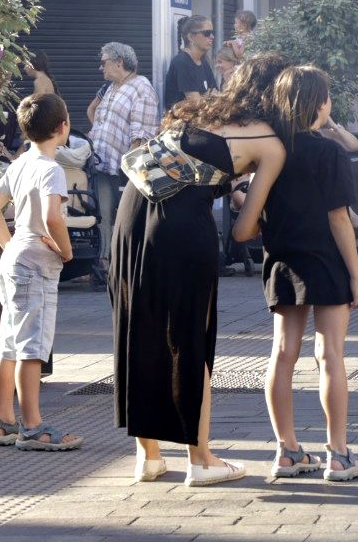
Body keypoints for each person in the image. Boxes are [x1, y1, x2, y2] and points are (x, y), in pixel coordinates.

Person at [111, 53, 287, 485]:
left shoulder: (196, 112)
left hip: (131, 213)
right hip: (183, 230)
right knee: (188, 337)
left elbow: (176, 169)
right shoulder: (271, 142)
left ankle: (148, 458)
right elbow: (244, 230)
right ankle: (201, 459)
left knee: (139, 329)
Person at [233, 66, 358, 482]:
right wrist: (357, 275)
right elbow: (339, 219)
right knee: (330, 354)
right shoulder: (330, 152)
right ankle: (339, 455)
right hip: (326, 260)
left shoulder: (272, 151)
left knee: (282, 354)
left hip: (282, 259)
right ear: (322, 103)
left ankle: (288, 451)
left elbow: (255, 214)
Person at [0, 93, 81, 452]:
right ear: (63, 127)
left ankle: (3, 421)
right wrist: (67, 252)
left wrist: (10, 247)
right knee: (31, 347)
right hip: (36, 265)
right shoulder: (51, 169)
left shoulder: (21, 163)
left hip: (12, 262)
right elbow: (54, 217)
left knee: (9, 343)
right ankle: (33, 427)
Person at [86, 42, 159, 276]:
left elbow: (142, 131)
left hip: (125, 167)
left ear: (119, 62)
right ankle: (106, 260)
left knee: (127, 212)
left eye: (104, 61)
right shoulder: (111, 87)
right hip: (102, 162)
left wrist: (132, 171)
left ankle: (128, 259)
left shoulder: (141, 86)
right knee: (104, 214)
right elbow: (96, 114)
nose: (101, 67)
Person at [163, 15, 218, 111]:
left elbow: (217, 95)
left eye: (212, 32)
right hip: (181, 124)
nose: (212, 37)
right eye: (207, 33)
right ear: (191, 37)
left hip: (202, 121)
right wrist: (208, 97)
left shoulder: (204, 62)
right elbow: (196, 104)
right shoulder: (182, 62)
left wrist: (205, 98)